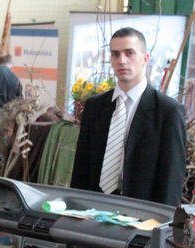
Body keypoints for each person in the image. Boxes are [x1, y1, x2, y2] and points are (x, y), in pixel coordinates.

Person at [70, 27, 186, 206]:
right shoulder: (94, 107)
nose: (122, 60)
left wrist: (163, 220)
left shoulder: (168, 112)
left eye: (129, 53)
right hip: (93, 209)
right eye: (115, 54)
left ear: (145, 59)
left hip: (141, 213)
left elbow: (171, 181)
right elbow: (81, 169)